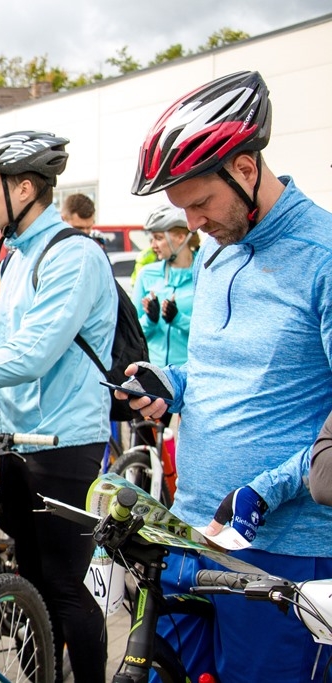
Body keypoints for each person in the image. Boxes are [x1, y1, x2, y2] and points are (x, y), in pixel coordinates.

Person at [125, 70, 332, 683]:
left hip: (284, 553)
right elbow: (225, 369)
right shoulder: (217, 247)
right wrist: (172, 383)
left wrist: (266, 487)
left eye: (198, 204)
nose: (190, 225)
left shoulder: (322, 255)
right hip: (192, 530)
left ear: (245, 169)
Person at [0, 130, 115, 683]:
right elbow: (6, 346)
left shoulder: (72, 256)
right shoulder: (15, 258)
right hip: (17, 438)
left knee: (62, 584)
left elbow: (31, 356)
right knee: (29, 581)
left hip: (66, 443)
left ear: (24, 187)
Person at [132, 205, 198, 366]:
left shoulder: (205, 274)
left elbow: (211, 332)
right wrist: (150, 320)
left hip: (191, 375)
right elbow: (132, 333)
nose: (153, 245)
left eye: (159, 238)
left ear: (181, 237)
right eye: (152, 239)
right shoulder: (146, 275)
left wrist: (178, 319)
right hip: (155, 374)